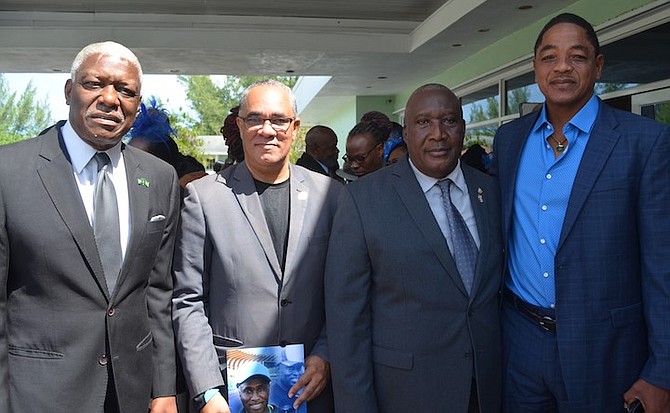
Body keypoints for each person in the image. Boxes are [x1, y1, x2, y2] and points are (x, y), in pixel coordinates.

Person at [491, 13, 670, 412]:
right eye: (549, 57)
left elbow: (663, 265)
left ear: (599, 66)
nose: (562, 68)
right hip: (520, 339)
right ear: (535, 66)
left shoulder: (645, 142)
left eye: (577, 57)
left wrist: (662, 371)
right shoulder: (509, 140)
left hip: (605, 347)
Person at [0, 41, 180, 412]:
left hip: (130, 392)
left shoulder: (160, 177)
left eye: (126, 91)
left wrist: (163, 387)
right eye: (95, 84)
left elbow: (156, 292)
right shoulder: (9, 171)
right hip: (36, 394)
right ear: (69, 91)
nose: (111, 99)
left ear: (137, 104)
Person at [325, 83, 503, 412]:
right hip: (406, 394)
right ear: (405, 133)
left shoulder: (491, 192)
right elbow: (347, 321)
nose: (438, 134)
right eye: (423, 122)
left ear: (462, 128)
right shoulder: (363, 200)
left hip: (488, 389)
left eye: (449, 121)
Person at [172, 79, 340, 413]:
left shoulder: (333, 197)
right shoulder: (203, 198)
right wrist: (206, 390)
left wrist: (325, 355)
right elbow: (187, 300)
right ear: (240, 125)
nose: (267, 129)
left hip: (309, 386)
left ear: (294, 127)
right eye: (255, 119)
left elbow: (345, 294)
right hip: (228, 394)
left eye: (278, 120)